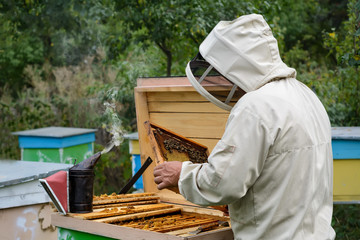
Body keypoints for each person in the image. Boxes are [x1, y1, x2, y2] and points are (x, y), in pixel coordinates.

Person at [153, 14, 335, 239]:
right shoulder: (305, 95)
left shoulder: (255, 106)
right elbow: (283, 176)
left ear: (238, 65)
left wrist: (181, 174)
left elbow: (221, 183)